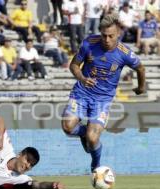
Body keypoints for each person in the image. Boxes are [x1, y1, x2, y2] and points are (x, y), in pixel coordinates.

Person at [61, 14, 146, 173]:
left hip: (102, 100)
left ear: (118, 33)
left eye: (110, 36)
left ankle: (96, 165)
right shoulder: (89, 43)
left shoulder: (125, 53)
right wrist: (82, 78)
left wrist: (141, 88)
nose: (106, 39)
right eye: (104, 35)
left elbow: (140, 68)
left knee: (93, 139)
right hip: (81, 93)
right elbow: (74, 65)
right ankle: (83, 133)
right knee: (67, 127)